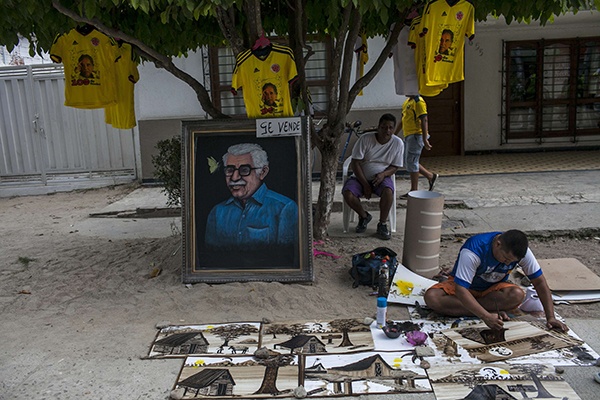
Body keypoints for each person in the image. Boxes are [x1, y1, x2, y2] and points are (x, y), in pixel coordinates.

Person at [423, 230, 568, 333]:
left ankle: (471, 309)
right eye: (505, 258)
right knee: (432, 298)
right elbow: (461, 290)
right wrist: (485, 316)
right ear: (498, 244)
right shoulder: (474, 250)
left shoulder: (521, 253)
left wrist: (551, 317)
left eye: (512, 262)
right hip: (464, 289)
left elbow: (540, 283)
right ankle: (485, 311)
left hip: (491, 291)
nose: (507, 263)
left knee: (517, 294)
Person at [205, 143, 298, 249]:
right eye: (230, 170)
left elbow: (288, 258)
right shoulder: (217, 212)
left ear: (262, 172)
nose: (234, 178)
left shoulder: (285, 209)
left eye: (244, 170)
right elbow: (210, 257)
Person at [342, 113, 404, 240]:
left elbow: (395, 166)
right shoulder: (365, 139)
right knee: (347, 193)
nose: (387, 130)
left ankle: (382, 223)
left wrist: (383, 174)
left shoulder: (398, 143)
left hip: (381, 177)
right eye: (384, 127)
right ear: (378, 127)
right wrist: (365, 184)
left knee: (388, 192)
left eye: (390, 128)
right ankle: (364, 216)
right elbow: (355, 163)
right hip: (360, 177)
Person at [395, 95, 439, 196]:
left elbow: (424, 119)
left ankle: (414, 191)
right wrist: (393, 135)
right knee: (408, 162)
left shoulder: (418, 101)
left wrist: (424, 139)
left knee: (412, 162)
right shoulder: (407, 102)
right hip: (408, 136)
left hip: (416, 136)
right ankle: (431, 176)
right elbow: (403, 119)